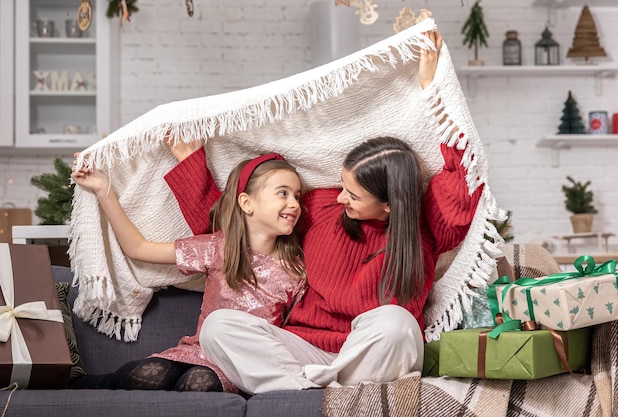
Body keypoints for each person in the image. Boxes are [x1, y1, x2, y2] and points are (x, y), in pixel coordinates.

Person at [161, 30, 484, 395]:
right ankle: (319, 394)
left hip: (370, 355)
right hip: (304, 353)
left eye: (354, 194)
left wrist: (433, 90)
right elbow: (240, 221)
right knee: (219, 327)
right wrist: (191, 164)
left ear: (390, 204)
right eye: (342, 185)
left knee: (398, 323)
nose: (340, 197)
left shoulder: (427, 227)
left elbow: (465, 175)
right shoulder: (320, 209)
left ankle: (318, 391)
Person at [71, 152, 307, 393]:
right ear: (247, 203)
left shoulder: (297, 271)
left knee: (198, 384)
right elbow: (138, 248)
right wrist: (104, 189)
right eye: (283, 193)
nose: (295, 204)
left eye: (297, 196)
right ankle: (88, 385)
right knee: (147, 374)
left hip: (241, 365)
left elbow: (288, 336)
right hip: (198, 351)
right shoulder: (217, 248)